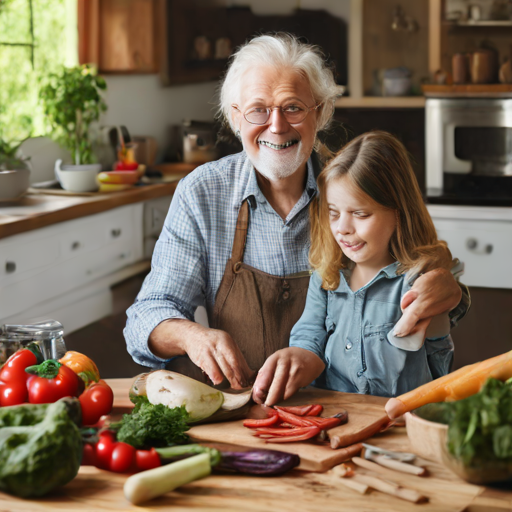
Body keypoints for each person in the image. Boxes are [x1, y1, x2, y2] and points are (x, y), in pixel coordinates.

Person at [124, 33, 467, 392]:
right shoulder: (203, 192)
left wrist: (451, 288)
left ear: (319, 112)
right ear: (235, 117)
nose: (277, 125)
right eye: (258, 109)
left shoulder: (349, 187)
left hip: (341, 407)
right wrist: (192, 336)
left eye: (293, 107)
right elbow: (144, 318)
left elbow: (416, 259)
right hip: (241, 412)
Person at [252, 131, 460, 405]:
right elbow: (311, 333)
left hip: (402, 426)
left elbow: (440, 348)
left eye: (360, 214)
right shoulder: (327, 274)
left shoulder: (418, 282)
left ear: (399, 212)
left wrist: (447, 297)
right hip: (336, 417)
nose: (343, 229)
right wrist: (300, 355)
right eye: (333, 213)